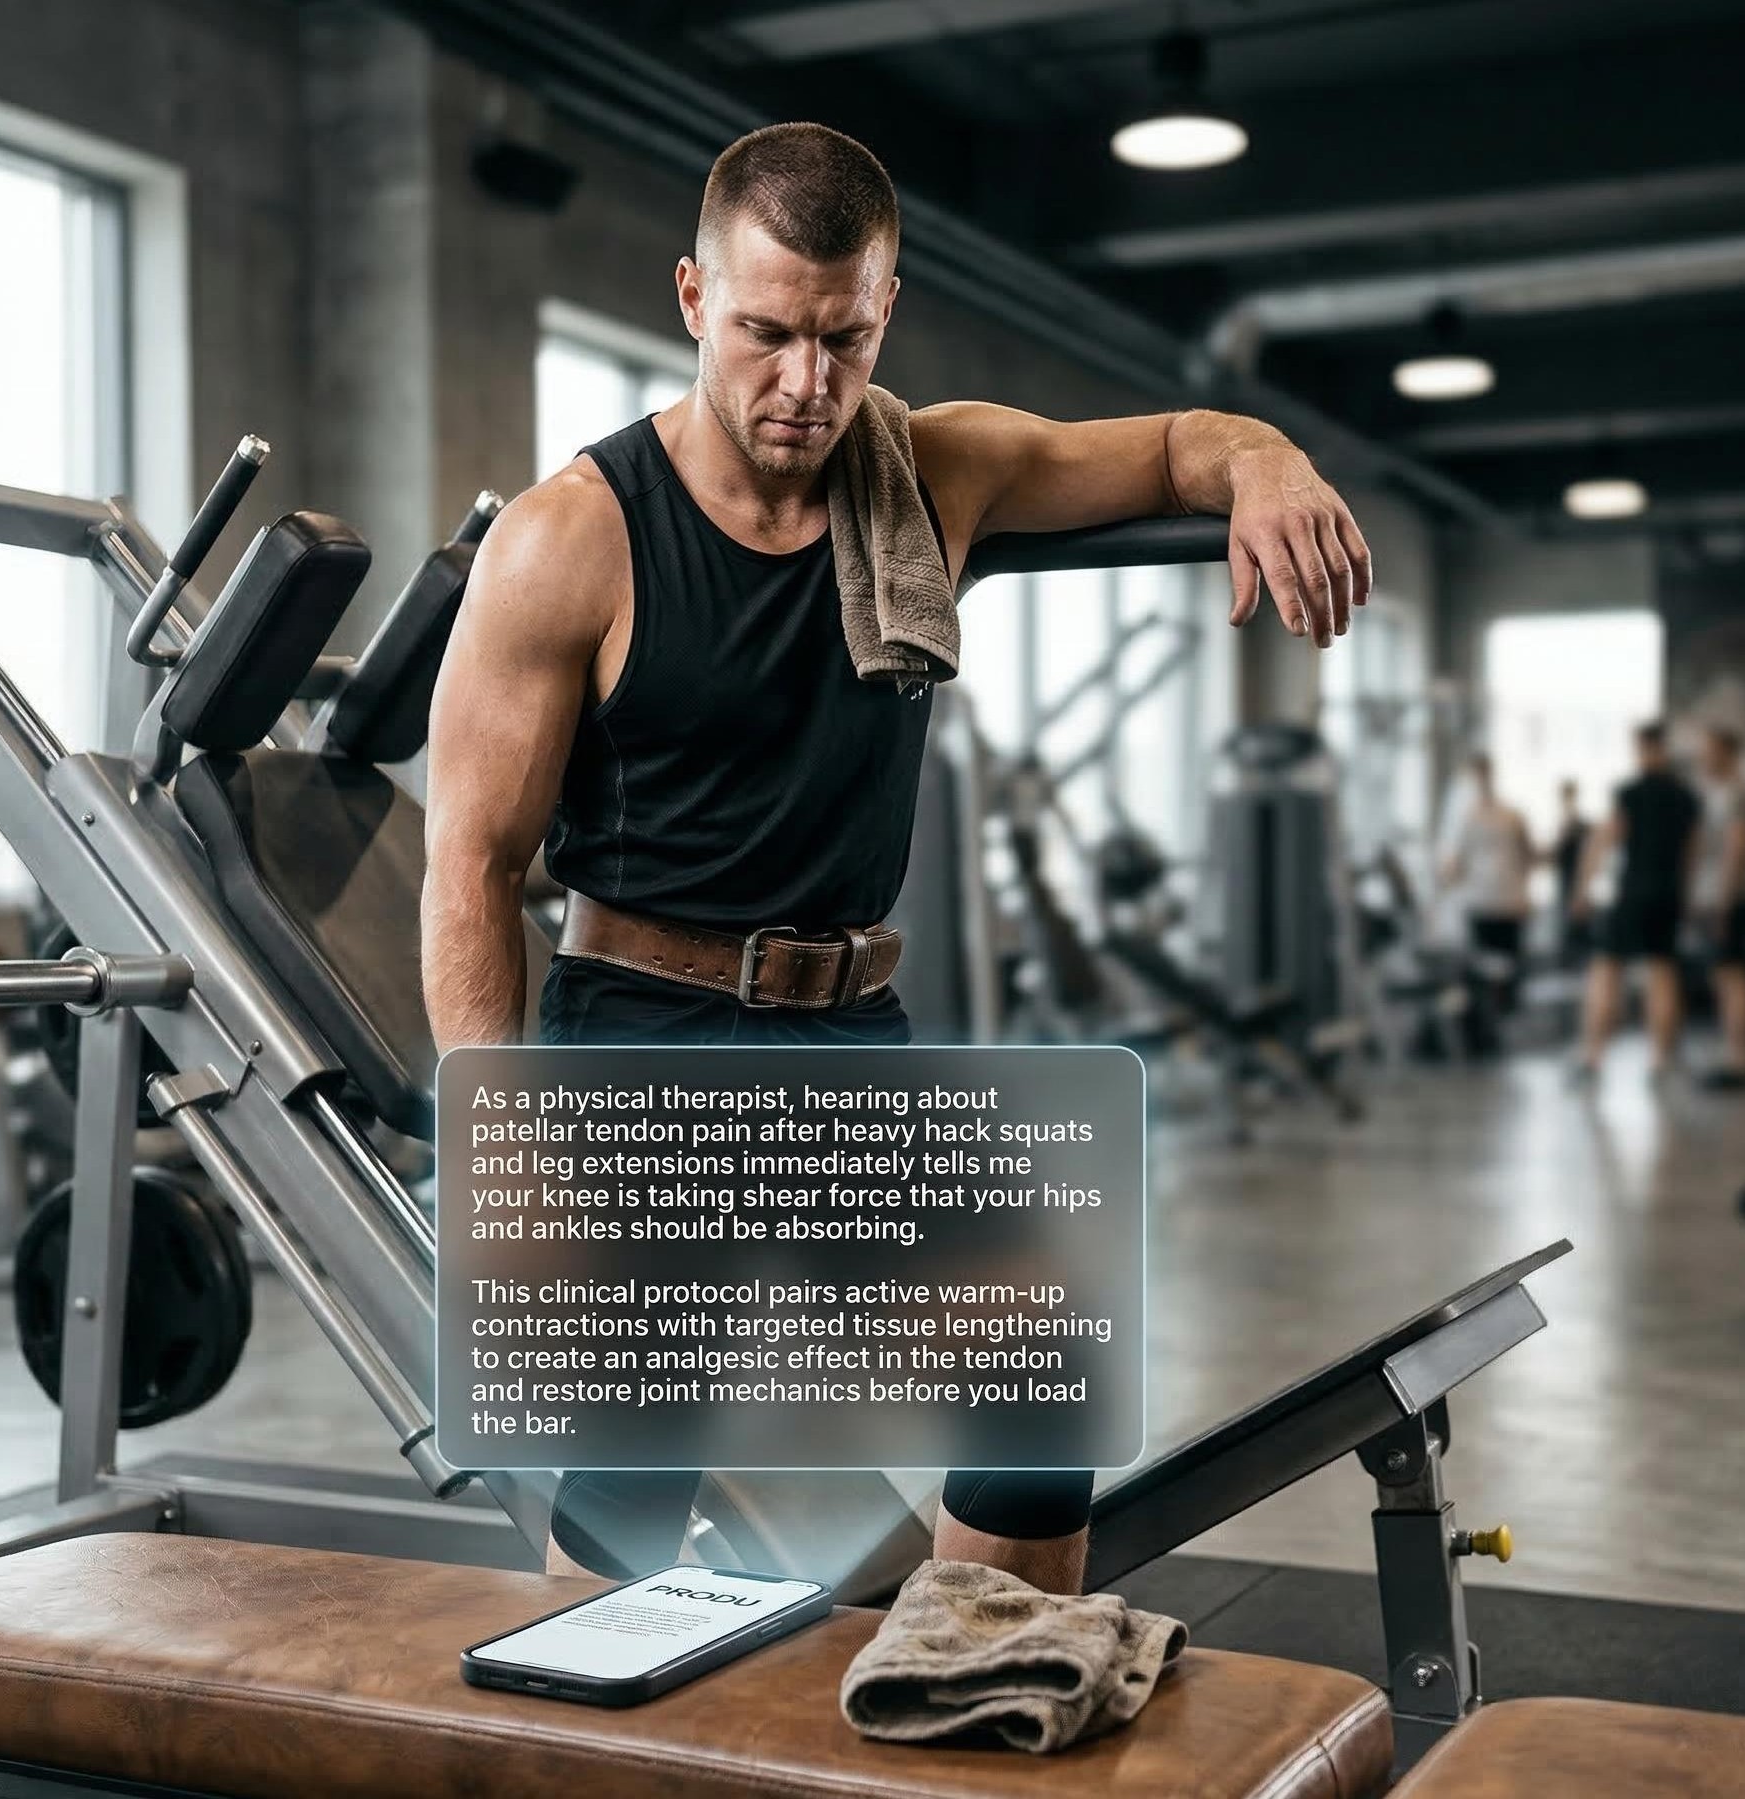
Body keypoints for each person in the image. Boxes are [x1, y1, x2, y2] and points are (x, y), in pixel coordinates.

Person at [421, 123, 1372, 1596]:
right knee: (636, 1470)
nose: (807, 383)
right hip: (643, 1034)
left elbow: (1176, 444)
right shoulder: (571, 540)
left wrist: (1270, 461)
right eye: (766, 333)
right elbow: (471, 867)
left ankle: (979, 1687)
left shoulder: (931, 473)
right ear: (693, 298)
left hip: (846, 1025)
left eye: (844, 339)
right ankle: (583, 1708)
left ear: (886, 311)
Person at [1572, 721, 1701, 1081]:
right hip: (1668, 895)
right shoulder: (1685, 796)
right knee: (1662, 972)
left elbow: (1606, 839)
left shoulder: (1629, 792)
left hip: (1633, 892)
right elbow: (1692, 854)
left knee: (1606, 969)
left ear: (1642, 748)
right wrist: (1686, 896)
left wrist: (1582, 888)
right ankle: (1660, 1057)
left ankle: (1592, 1054)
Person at [1436, 752, 1532, 1051]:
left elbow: (1526, 854)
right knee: (1483, 973)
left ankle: (1497, 1029)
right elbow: (1456, 863)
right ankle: (1485, 1031)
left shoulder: (1511, 815)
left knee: (1503, 974)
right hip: (1482, 904)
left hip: (1506, 902)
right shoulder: (1469, 818)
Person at [1692, 726, 1745, 1090]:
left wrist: (1724, 901)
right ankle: (1732, 1055)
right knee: (1723, 976)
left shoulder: (1740, 794)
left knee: (1733, 974)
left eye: (1709, 750)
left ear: (1727, 752)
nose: (1703, 758)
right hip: (1713, 898)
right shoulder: (1715, 793)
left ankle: (1740, 1061)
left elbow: (1738, 848)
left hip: (1729, 900)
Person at [1550, 779, 1591, 966]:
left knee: (1576, 925)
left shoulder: (1579, 824)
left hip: (1576, 880)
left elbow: (1586, 856)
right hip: (1564, 879)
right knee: (1566, 924)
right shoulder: (1562, 823)